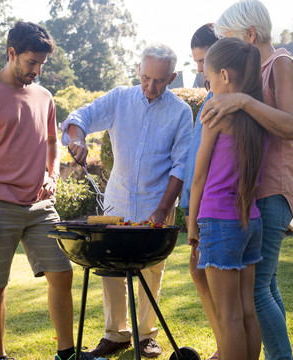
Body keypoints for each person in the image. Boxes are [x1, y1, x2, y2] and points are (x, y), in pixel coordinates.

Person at [0, 22, 101, 360]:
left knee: (62, 273)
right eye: (31, 63)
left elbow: (52, 142)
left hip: (40, 205)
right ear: (12, 53)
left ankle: (66, 353)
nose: (37, 71)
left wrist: (53, 174)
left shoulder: (44, 97)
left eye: (42, 65)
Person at [62, 43, 192, 358]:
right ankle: (115, 335)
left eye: (159, 80)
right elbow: (81, 116)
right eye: (146, 77)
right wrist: (78, 138)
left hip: (157, 204)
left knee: (151, 271)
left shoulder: (180, 112)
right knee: (111, 269)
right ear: (139, 70)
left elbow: (181, 165)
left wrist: (163, 209)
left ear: (171, 77)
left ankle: (147, 335)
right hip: (117, 202)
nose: (151, 86)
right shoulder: (120, 99)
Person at [201, 1, 293, 359]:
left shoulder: (279, 64)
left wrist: (242, 100)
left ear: (249, 35)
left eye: (228, 40)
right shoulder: (256, 72)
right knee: (267, 286)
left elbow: (291, 126)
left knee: (258, 291)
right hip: (252, 197)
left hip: (272, 190)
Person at [188, 36, 268, 360]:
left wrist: (192, 225)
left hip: (218, 220)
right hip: (251, 221)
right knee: (248, 311)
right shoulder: (258, 113)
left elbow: (199, 177)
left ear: (224, 75)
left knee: (228, 315)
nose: (208, 87)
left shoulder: (215, 112)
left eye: (208, 79)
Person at [179, 23, 221, 360]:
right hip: (197, 203)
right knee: (197, 271)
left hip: (212, 205)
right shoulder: (210, 96)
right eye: (196, 62)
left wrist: (195, 211)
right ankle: (225, 346)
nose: (199, 69)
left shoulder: (222, 100)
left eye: (203, 60)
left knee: (211, 275)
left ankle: (228, 348)